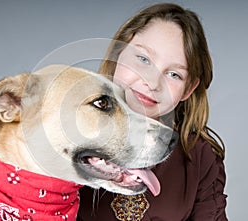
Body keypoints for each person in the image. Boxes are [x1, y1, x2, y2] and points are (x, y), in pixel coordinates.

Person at [77, 3, 227, 221]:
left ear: (189, 89)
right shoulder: (70, 130)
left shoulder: (199, 156)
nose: (153, 82)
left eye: (174, 74)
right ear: (118, 54)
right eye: (143, 59)